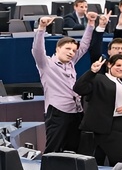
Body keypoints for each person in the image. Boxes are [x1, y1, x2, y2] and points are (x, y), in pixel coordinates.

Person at [33, 13, 95, 153]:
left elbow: (84, 46)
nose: (71, 52)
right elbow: (38, 50)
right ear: (57, 49)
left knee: (73, 150)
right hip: (58, 112)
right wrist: (41, 28)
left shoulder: (71, 62)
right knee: (53, 149)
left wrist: (90, 24)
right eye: (67, 49)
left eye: (73, 50)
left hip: (77, 111)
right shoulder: (46, 64)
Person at [74, 55, 122, 165]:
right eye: (118, 65)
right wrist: (92, 72)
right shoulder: (100, 79)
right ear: (109, 65)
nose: (121, 68)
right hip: (112, 128)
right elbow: (79, 88)